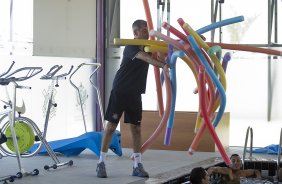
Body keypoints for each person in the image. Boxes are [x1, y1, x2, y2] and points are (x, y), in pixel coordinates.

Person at [96, 19, 167, 178]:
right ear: (135, 33)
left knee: (136, 129)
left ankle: (137, 165)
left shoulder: (148, 46)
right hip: (121, 90)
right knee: (111, 127)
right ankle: (101, 162)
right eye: (143, 30)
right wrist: (162, 65)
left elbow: (159, 56)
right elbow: (147, 59)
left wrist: (167, 59)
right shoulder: (131, 46)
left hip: (135, 93)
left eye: (147, 30)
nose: (147, 33)